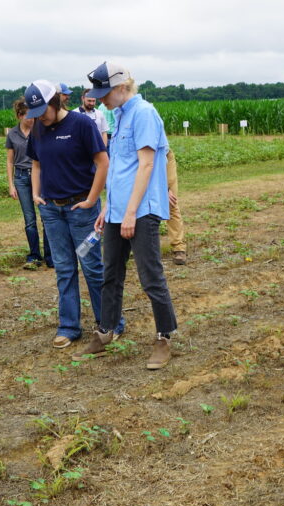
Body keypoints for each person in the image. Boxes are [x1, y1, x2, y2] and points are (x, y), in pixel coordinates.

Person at [73, 62, 177, 370]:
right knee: (111, 274)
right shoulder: (117, 115)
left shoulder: (144, 113)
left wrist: (130, 212)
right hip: (119, 209)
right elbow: (119, 168)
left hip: (141, 211)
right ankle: (105, 332)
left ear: (122, 88)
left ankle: (164, 337)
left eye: (105, 93)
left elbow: (146, 166)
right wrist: (108, 207)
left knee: (150, 276)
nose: (101, 99)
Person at [24, 79, 124, 348]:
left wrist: (92, 199)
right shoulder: (37, 128)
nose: (39, 118)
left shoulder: (82, 124)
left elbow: (102, 162)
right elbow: (36, 163)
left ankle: (110, 322)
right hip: (52, 211)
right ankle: (69, 326)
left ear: (55, 102)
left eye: (43, 111)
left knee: (91, 266)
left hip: (81, 209)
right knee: (64, 268)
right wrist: (36, 194)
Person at [5, 97, 53, 270]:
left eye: (33, 115)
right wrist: (11, 184)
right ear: (19, 116)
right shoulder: (12, 134)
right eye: (27, 115)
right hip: (21, 177)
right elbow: (10, 161)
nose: (31, 119)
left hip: (40, 176)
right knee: (30, 220)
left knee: (47, 216)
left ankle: (50, 255)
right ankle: (34, 255)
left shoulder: (41, 130)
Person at [165, 148, 187, 265]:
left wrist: (165, 188)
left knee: (171, 202)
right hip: (140, 162)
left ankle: (179, 247)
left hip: (162, 157)